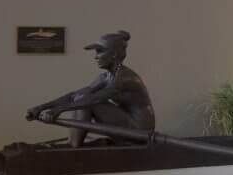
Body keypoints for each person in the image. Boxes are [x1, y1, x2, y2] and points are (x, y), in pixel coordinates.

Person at [25, 30, 155, 146]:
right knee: (81, 98)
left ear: (114, 55)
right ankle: (73, 144)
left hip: (141, 132)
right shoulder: (105, 77)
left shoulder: (125, 78)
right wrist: (41, 107)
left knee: (87, 102)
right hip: (128, 124)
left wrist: (58, 110)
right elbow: (74, 96)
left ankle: (74, 145)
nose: (95, 57)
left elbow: (93, 100)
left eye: (99, 51)